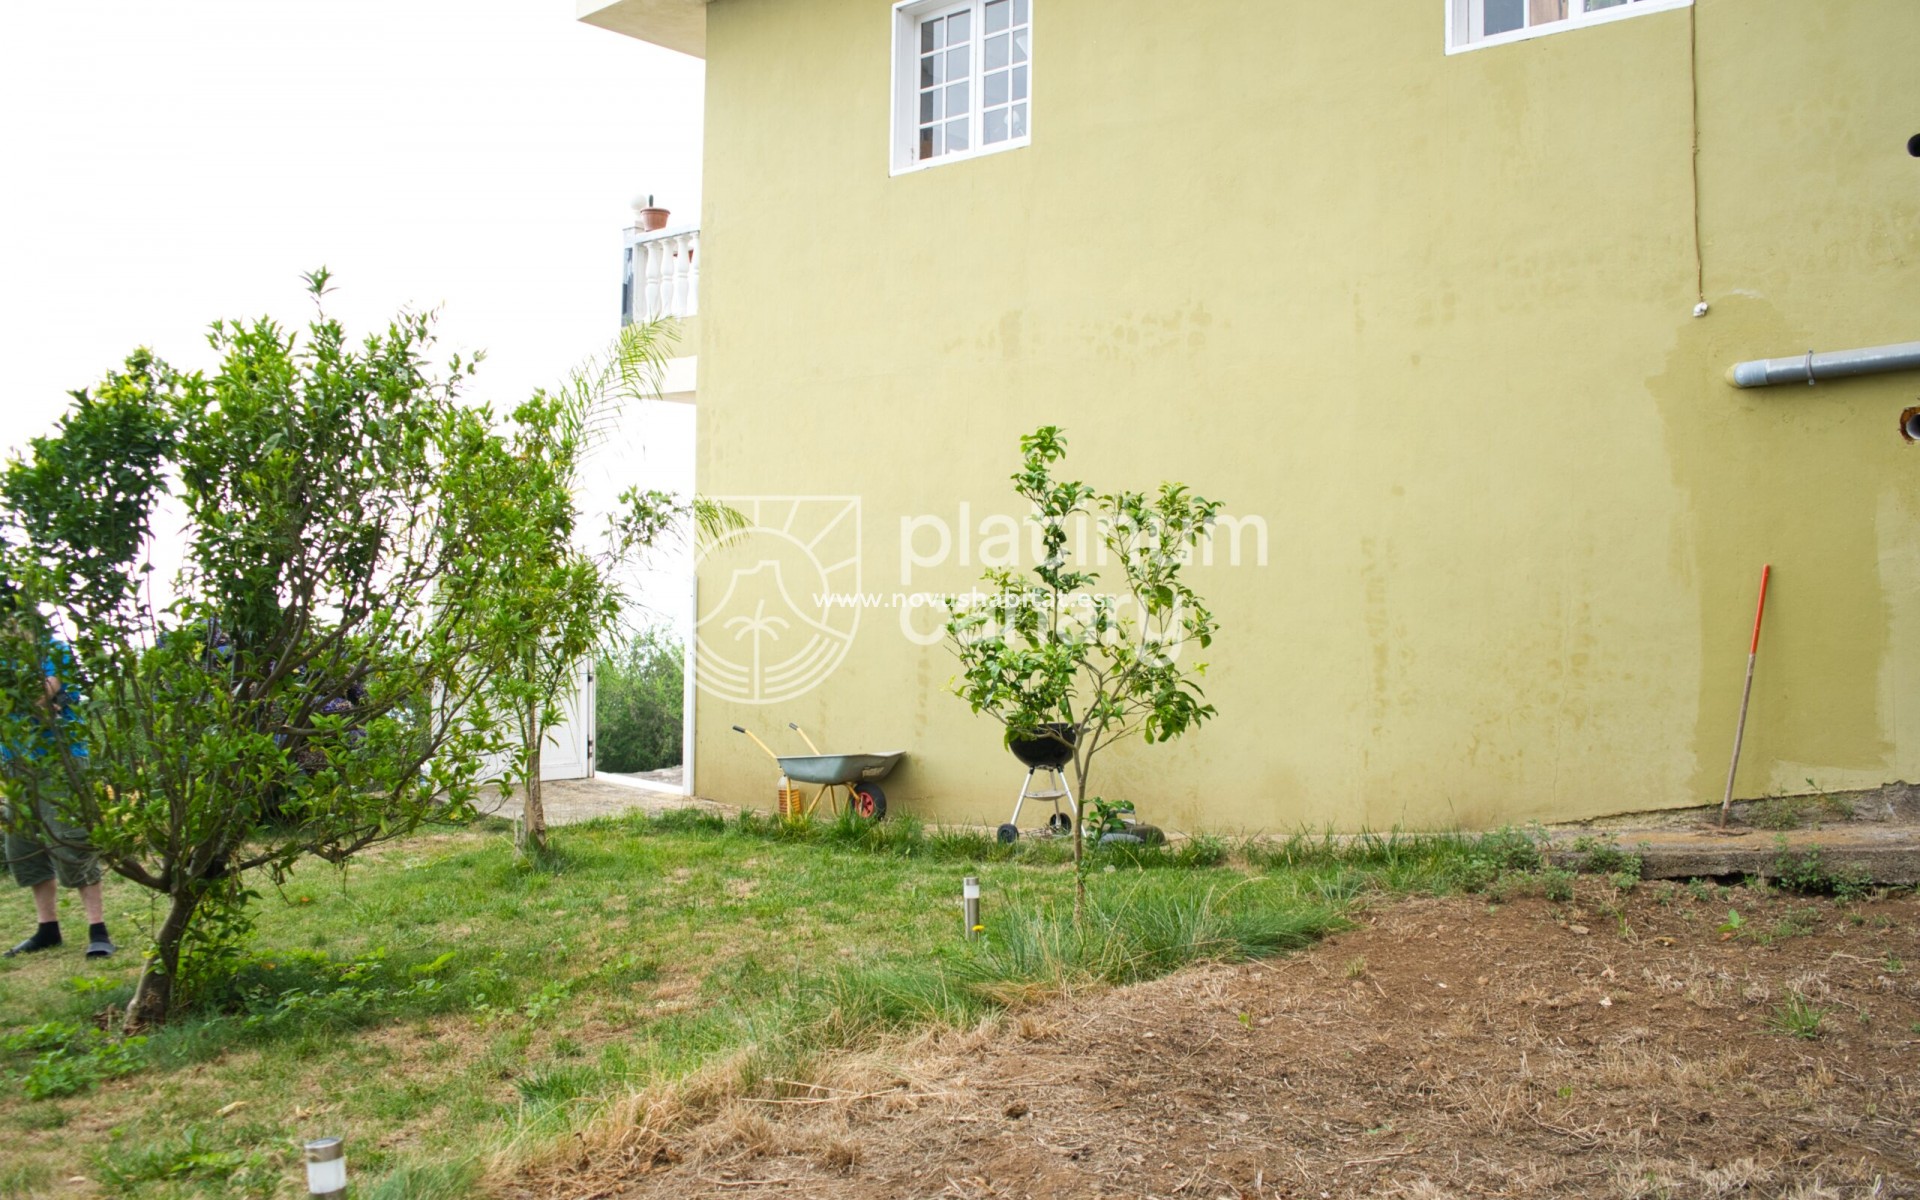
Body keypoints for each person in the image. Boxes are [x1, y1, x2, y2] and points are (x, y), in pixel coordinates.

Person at [1, 605, 114, 958]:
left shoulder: (53, 649)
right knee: (22, 846)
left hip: (58, 759)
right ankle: (47, 928)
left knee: (71, 840)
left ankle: (98, 929)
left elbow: (43, 692)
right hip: (13, 761)